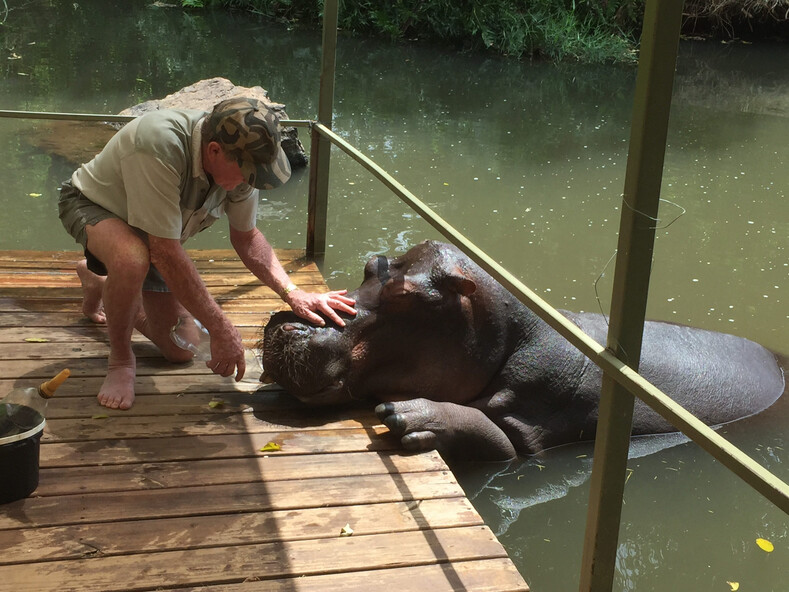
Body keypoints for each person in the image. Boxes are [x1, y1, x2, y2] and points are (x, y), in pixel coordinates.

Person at [58, 97, 356, 410]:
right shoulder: (158, 144)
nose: (250, 181)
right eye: (248, 173)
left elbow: (247, 238)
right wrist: (221, 326)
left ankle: (102, 282)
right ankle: (120, 360)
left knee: (181, 349)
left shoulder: (240, 162)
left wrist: (293, 292)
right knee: (132, 259)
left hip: (156, 234)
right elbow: (166, 252)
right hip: (94, 206)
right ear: (213, 151)